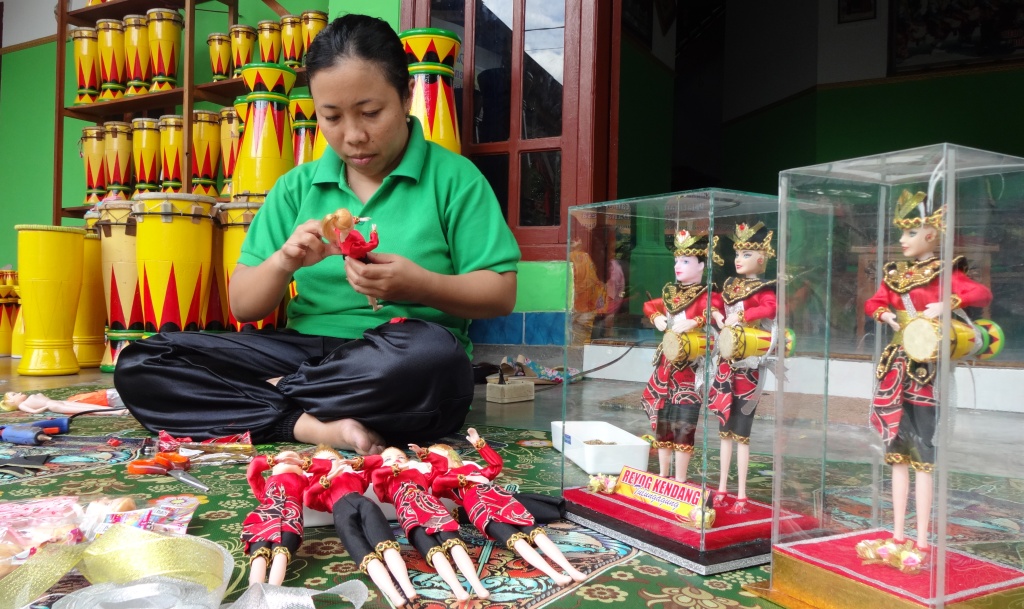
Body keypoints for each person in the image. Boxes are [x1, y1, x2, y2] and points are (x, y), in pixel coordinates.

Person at [112, 14, 520, 455]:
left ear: (405, 98)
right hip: (305, 351)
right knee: (142, 362)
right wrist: (283, 261)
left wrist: (418, 284)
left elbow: (499, 293)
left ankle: (261, 396)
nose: (353, 136)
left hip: (397, 356)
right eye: (332, 117)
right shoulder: (295, 187)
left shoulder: (455, 178)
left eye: (371, 113)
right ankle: (309, 425)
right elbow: (244, 306)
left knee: (434, 362)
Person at [855, 190, 992, 573]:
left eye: (910, 232)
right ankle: (897, 535)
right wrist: (885, 316)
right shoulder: (897, 273)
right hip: (896, 365)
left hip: (928, 371)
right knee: (897, 453)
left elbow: (980, 293)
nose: (902, 240)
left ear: (931, 234)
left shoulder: (947, 271)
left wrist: (948, 303)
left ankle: (922, 540)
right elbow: (874, 301)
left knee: (924, 457)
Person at [423, 429, 587, 585]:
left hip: (500, 498)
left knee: (535, 531)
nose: (432, 461)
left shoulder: (471, 468)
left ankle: (570, 570)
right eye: (430, 460)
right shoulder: (440, 481)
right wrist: (458, 475)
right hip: (479, 509)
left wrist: (480, 444)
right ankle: (554, 575)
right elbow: (438, 485)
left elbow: (495, 467)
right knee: (515, 540)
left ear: (447, 454)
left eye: (434, 456)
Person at [639, 231, 724, 482]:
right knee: (663, 422)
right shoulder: (671, 293)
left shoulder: (709, 295)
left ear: (702, 264)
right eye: (677, 261)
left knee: (685, 423)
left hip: (690, 371)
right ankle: (664, 474)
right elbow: (650, 305)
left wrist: (696, 321)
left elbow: (716, 321)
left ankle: (680, 478)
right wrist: (657, 317)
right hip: (665, 369)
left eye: (685, 261)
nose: (678, 266)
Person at [708, 222, 777, 515]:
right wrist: (717, 315)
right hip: (726, 363)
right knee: (724, 429)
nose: (738, 259)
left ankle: (742, 493)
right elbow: (713, 304)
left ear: (762, 258)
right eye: (738, 253)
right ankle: (722, 487)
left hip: (748, 366)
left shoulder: (765, 288)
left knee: (742, 432)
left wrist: (743, 315)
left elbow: (771, 308)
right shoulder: (729, 286)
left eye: (746, 253)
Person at [369, 447, 488, 601]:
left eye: (400, 457)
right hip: (409, 514)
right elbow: (376, 475)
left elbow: (441, 467)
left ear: (408, 460)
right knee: (433, 551)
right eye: (388, 459)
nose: (395, 460)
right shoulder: (385, 482)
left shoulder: (419, 474)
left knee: (454, 543)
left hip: (432, 507)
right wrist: (390, 469)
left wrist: (424, 454)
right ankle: (457, 589)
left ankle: (477, 585)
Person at [303, 445, 417, 607]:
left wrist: (354, 462)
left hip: (364, 504)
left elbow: (377, 462)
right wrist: (328, 477)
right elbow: (308, 499)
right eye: (322, 462)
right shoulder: (315, 483)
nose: (328, 463)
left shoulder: (353, 476)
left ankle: (407, 586)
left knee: (386, 544)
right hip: (340, 513)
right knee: (364, 554)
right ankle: (394, 595)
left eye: (332, 459)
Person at [242, 450, 322, 586]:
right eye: (282, 459)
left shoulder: (305, 481)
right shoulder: (266, 486)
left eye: (294, 459)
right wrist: (274, 459)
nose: (288, 459)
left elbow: (323, 472)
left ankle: (273, 590)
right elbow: (252, 472)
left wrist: (304, 463)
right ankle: (253, 594)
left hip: (290, 517)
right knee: (259, 555)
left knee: (281, 553)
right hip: (264, 516)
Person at [1, 389, 128, 415]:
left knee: (86, 405)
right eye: (14, 395)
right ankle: (116, 412)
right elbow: (34, 411)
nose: (18, 393)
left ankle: (116, 410)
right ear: (12, 402)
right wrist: (45, 408)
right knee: (84, 409)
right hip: (53, 405)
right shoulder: (23, 405)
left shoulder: (28, 399)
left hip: (57, 402)